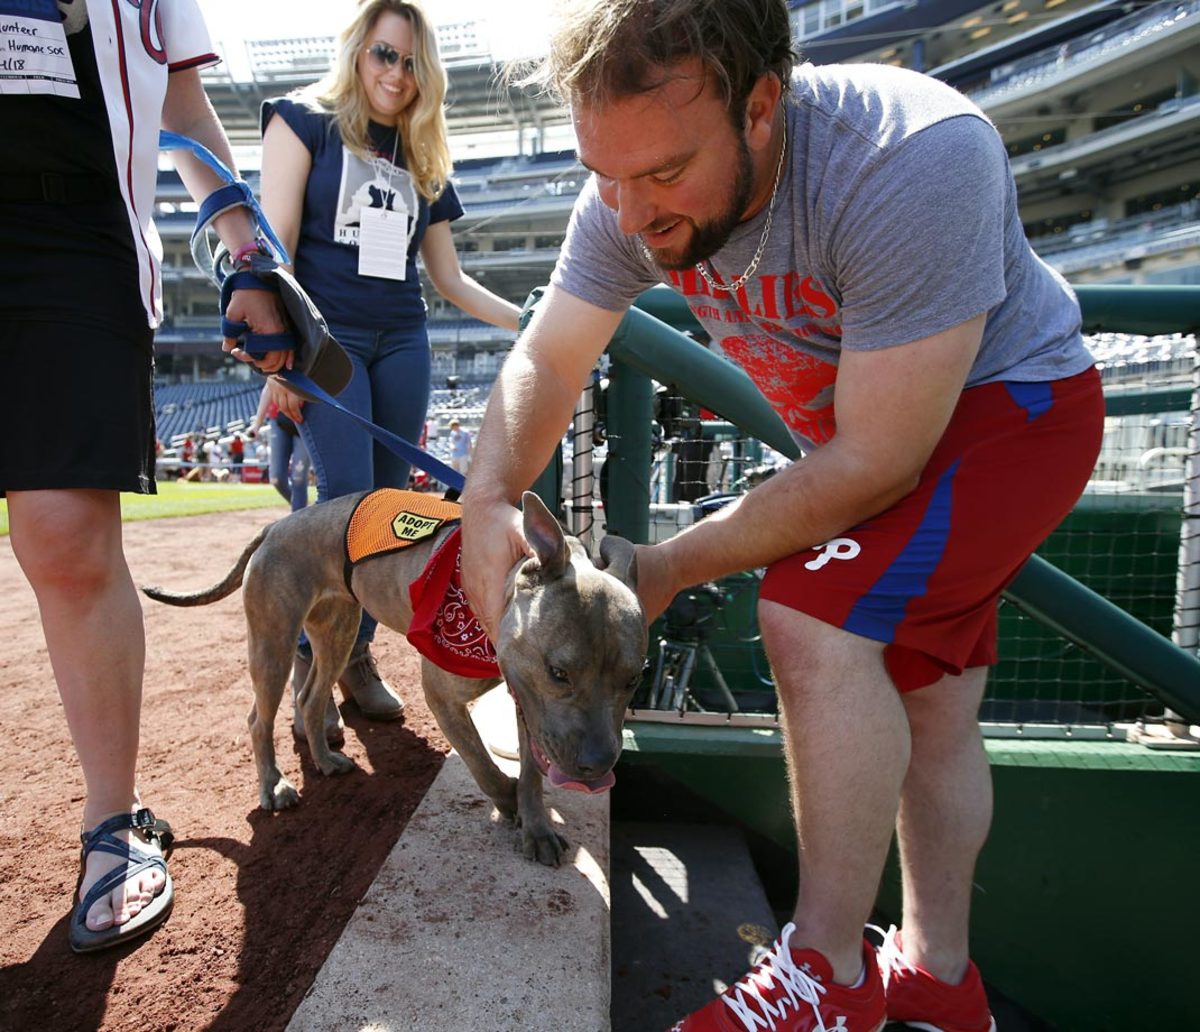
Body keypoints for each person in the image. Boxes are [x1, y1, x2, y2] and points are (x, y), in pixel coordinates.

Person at [458, 2, 1102, 1030]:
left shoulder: (911, 156)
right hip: (885, 432)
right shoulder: (629, 187)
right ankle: (940, 981)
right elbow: (552, 351)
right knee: (931, 703)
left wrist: (671, 564)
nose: (627, 211)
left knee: (808, 615)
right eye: (604, 174)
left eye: (663, 173)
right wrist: (486, 494)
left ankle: (827, 979)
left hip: (1010, 416)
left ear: (761, 107)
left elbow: (879, 460)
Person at [0, 0, 285, 953]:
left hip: (72, 231)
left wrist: (250, 253)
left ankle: (111, 822)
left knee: (65, 538)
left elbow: (184, 106)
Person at [255, 0, 521, 732]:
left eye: (410, 61)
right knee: (345, 504)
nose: (396, 73)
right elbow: (275, 246)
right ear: (357, 50)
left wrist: (531, 322)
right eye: (383, 54)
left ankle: (355, 655)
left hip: (403, 339)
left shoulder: (420, 153)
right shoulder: (301, 121)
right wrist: (276, 359)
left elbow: (451, 280)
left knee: (389, 513)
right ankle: (315, 663)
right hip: (327, 341)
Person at [249, 381, 311, 511]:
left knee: (298, 478)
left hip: (306, 417)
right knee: (276, 478)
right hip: (279, 418)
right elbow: (269, 386)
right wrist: (257, 424)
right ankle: (301, 510)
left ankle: (298, 516)